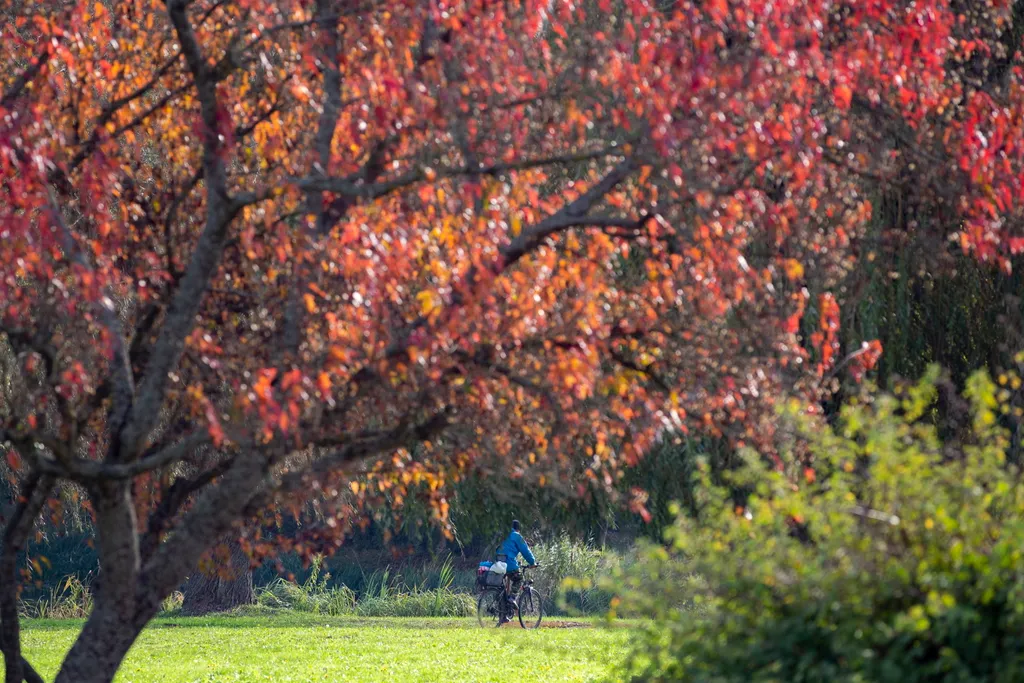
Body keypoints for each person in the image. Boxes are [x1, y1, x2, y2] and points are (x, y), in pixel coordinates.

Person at [496, 519, 536, 620]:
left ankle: (504, 614)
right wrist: (532, 562)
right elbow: (525, 551)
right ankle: (512, 597)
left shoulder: (503, 534)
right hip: (508, 563)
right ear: (518, 529)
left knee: (502, 588)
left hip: (497, 562)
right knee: (519, 579)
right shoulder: (516, 536)